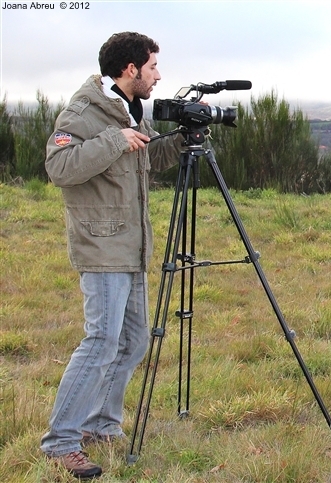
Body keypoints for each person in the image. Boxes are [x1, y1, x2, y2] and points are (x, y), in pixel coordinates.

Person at [41, 32, 181, 479]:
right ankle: (61, 441)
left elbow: (150, 156)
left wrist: (186, 136)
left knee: (133, 340)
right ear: (130, 69)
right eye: (153, 67)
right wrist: (115, 141)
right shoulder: (84, 111)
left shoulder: (128, 109)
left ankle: (100, 425)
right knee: (101, 341)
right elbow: (59, 167)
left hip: (131, 246)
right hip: (102, 245)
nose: (158, 75)